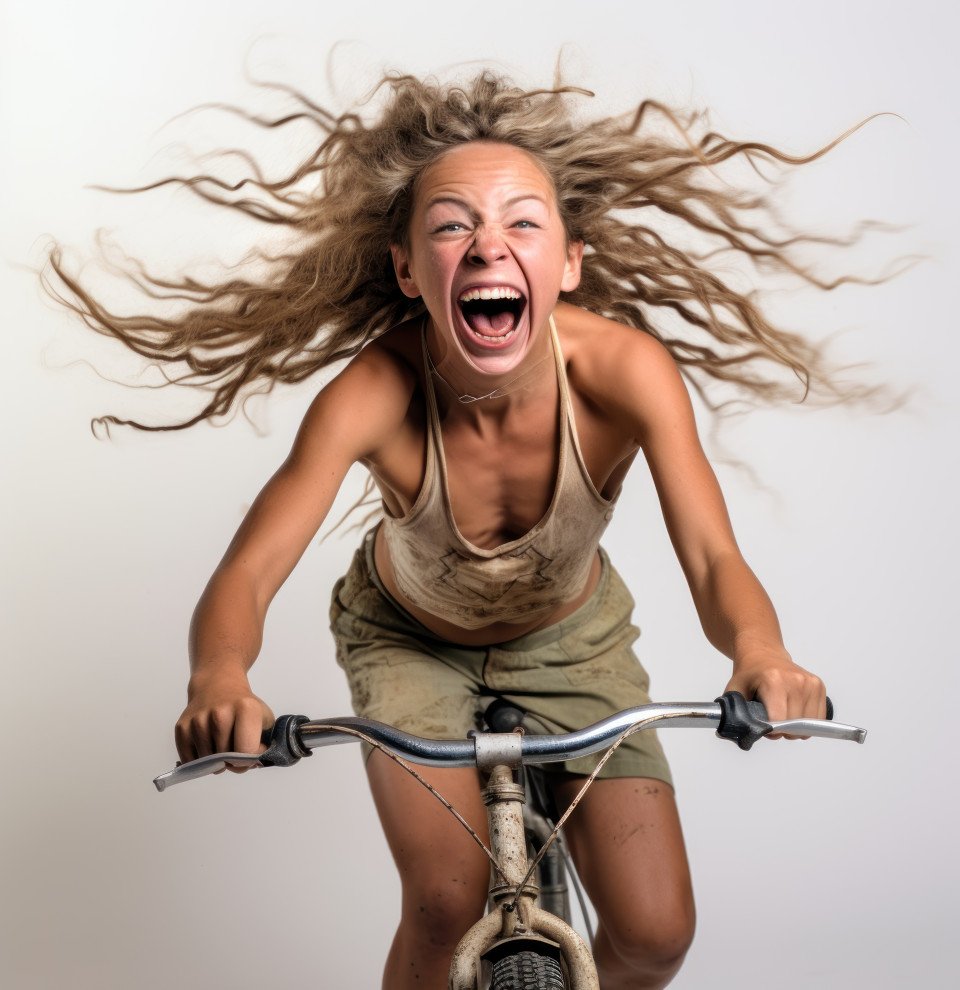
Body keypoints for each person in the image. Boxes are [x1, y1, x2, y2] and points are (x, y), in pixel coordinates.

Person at [50, 69, 874, 989]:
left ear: (568, 263)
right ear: (409, 268)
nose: (489, 245)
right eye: (452, 225)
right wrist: (220, 677)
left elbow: (715, 556)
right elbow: (249, 570)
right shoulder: (372, 393)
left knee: (654, 932)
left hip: (574, 638)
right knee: (444, 908)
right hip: (409, 642)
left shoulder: (625, 374)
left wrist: (761, 652)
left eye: (523, 222)